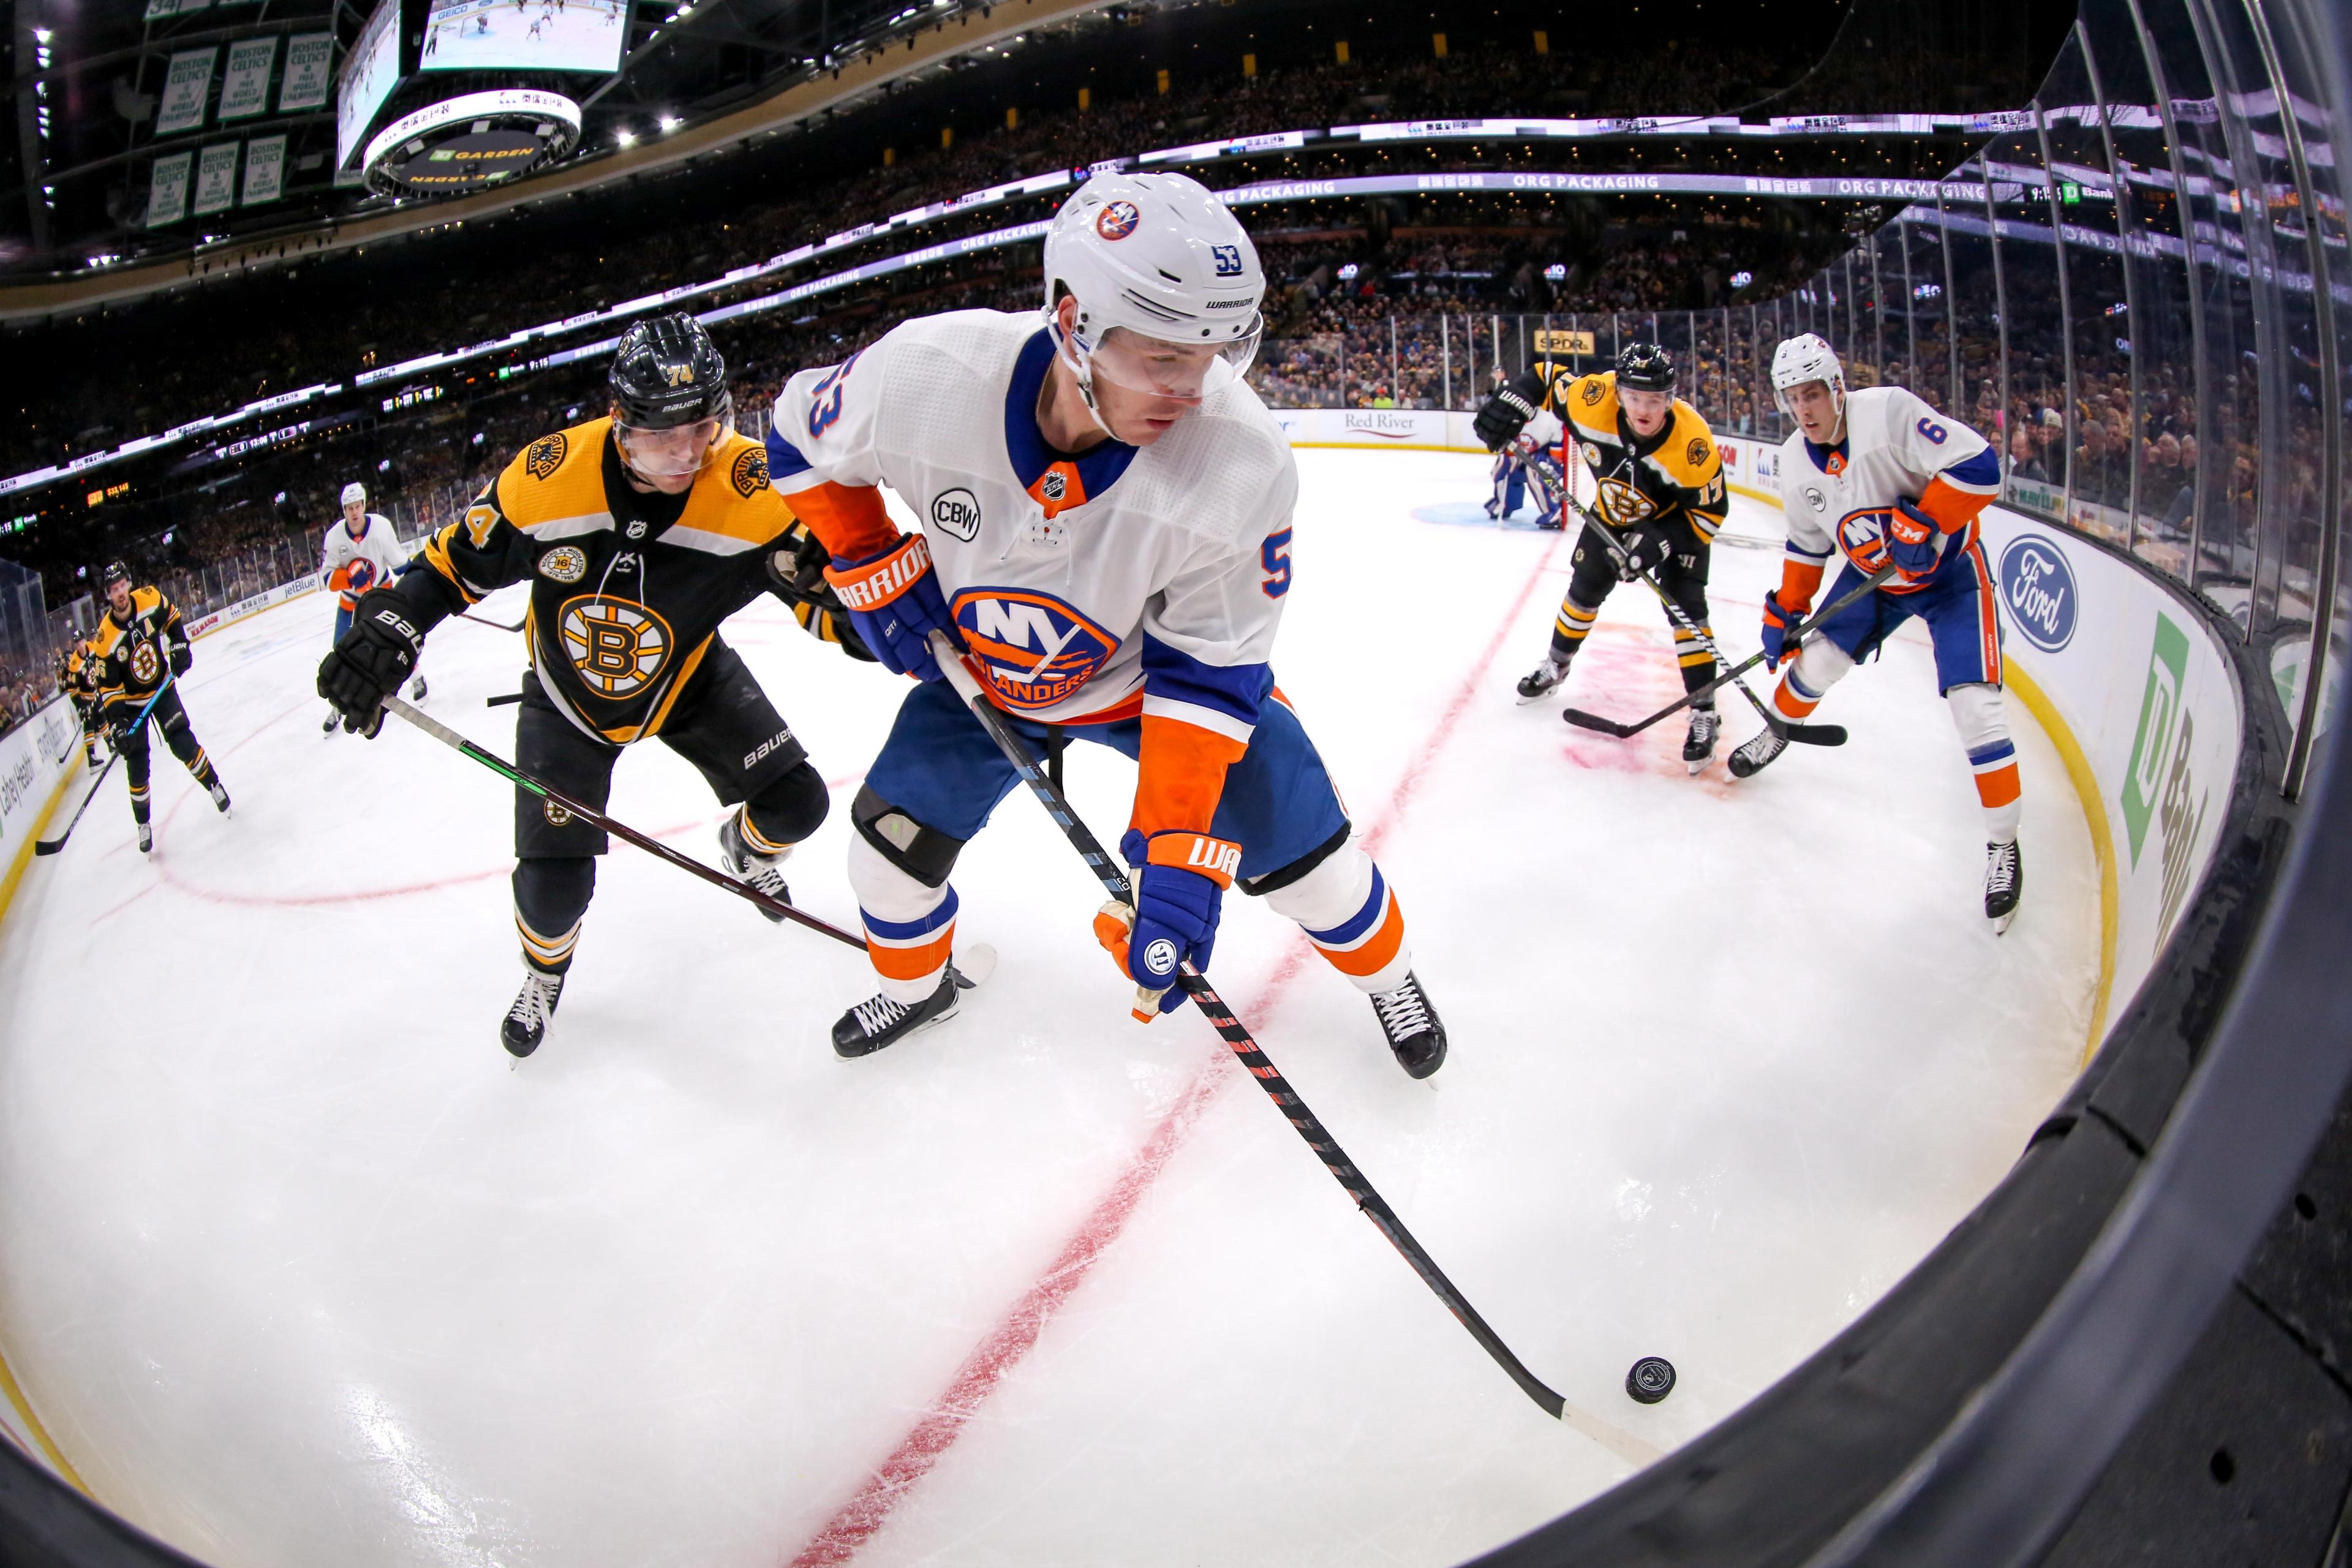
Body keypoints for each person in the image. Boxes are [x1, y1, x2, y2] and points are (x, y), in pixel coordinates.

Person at [766, 170, 1449, 1076]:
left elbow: (1206, 673)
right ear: (1070, 320)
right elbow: (796, 436)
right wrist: (865, 555)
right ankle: (917, 984)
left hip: (1145, 692)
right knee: (884, 859)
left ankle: (1389, 977)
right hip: (985, 680)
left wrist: (1176, 847)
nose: (1194, 391)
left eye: (1214, 355)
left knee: (1316, 872)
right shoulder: (928, 375)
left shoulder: (1242, 463)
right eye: (1164, 356)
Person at [317, 314, 872, 1057]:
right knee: (552, 894)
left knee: (798, 803)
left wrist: (872, 614)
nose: (686, 454)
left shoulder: (752, 486)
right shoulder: (550, 476)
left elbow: (826, 599)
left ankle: (744, 847)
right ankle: (545, 973)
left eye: (702, 428)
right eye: (662, 435)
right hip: (567, 696)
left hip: (684, 678)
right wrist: (395, 621)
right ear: (621, 424)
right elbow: (452, 564)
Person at [1732, 333, 2022, 931]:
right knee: (1813, 665)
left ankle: (2003, 844)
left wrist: (1928, 521)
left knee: (1977, 709)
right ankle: (1777, 731)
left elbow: (1982, 467)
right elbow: (1809, 545)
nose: (1805, 409)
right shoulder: (1792, 460)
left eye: (1813, 393)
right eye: (1793, 398)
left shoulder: (1888, 412)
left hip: (1951, 579)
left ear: (1838, 387)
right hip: (1873, 579)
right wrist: (1785, 610)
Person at [1476, 342, 1731, 772]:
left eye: (1654, 400)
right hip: (1613, 516)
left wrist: (1658, 544)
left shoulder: (1693, 445)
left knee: (1687, 611)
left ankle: (1704, 711)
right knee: (1584, 590)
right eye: (1634, 397)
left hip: (1675, 524)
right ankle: (1556, 666)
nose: (1644, 409)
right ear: (1618, 393)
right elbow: (1545, 376)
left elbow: (1710, 513)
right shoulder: (1592, 398)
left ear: (1671, 398)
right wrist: (1511, 403)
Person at [86, 561, 230, 853]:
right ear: (108, 596)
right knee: (137, 764)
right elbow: (109, 687)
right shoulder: (104, 639)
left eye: (123, 585)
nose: (120, 593)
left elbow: (173, 619)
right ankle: (143, 824)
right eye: (114, 590)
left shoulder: (150, 598)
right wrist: (118, 723)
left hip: (162, 688)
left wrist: (180, 645)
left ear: (129, 583)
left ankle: (215, 786)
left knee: (183, 743)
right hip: (130, 705)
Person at [320, 481, 425, 734]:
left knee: (395, 644)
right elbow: (327, 578)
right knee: (342, 651)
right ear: (343, 510)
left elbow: (400, 565)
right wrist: (347, 576)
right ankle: (338, 706)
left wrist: (422, 578)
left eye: (358, 506)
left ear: (364, 506)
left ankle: (417, 677)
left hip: (380, 597)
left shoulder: (380, 527)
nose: (354, 512)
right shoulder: (334, 538)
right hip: (350, 603)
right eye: (349, 508)